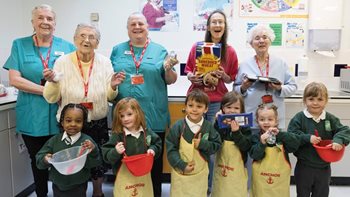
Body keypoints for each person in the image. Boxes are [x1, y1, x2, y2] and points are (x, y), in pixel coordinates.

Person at [43, 23, 125, 197]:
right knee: (70, 160)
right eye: (82, 36)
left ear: (97, 42)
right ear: (74, 39)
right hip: (70, 123)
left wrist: (112, 86)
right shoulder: (62, 62)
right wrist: (52, 82)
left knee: (97, 161)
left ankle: (97, 193)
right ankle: (73, 192)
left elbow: (110, 97)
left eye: (91, 37)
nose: (86, 40)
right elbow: (50, 97)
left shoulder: (104, 62)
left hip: (97, 120)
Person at [2, 4, 75, 197]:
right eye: (40, 18)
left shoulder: (67, 47)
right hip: (32, 114)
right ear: (33, 22)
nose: (45, 22)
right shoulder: (20, 44)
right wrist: (47, 91)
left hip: (61, 115)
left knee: (64, 159)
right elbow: (14, 79)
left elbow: (75, 76)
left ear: (55, 23)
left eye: (49, 19)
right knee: (38, 160)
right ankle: (42, 194)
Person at [110, 12, 178, 197]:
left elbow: (171, 79)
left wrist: (169, 68)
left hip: (152, 116)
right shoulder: (117, 50)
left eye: (141, 23)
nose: (137, 27)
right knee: (123, 158)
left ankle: (154, 193)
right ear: (127, 29)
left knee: (152, 161)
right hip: (124, 117)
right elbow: (110, 78)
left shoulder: (160, 50)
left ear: (148, 27)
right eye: (133, 24)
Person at [287, 82, 350, 197]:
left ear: (326, 100)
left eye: (320, 99)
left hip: (324, 168)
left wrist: (338, 140)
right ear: (304, 100)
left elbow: (345, 130)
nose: (315, 103)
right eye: (311, 99)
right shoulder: (299, 118)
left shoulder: (330, 119)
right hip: (304, 166)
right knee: (303, 193)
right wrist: (307, 138)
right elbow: (291, 136)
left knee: (321, 193)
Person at [233, 24, 297, 130]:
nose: (261, 41)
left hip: (274, 120)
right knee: (253, 145)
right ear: (251, 44)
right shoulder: (244, 65)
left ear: (270, 41)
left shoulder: (280, 63)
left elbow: (293, 87)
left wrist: (280, 88)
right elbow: (235, 90)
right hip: (252, 117)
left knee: (275, 146)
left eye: (265, 37)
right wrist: (243, 87)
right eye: (257, 38)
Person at [36, 103, 101, 197]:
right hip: (58, 183)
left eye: (78, 121)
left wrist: (93, 150)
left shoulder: (87, 142)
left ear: (83, 123)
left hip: (79, 184)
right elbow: (39, 159)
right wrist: (45, 159)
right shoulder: (54, 141)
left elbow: (95, 163)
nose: (73, 124)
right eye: (68, 120)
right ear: (62, 122)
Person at [165, 89, 221, 197]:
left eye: (199, 106)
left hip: (200, 176)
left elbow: (216, 146)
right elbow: (171, 150)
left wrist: (203, 144)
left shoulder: (208, 127)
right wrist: (181, 165)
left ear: (206, 109)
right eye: (191, 105)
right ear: (185, 107)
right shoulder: (178, 127)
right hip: (180, 174)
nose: (194, 109)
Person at [185, 10, 238, 123]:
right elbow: (188, 70)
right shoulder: (197, 47)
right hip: (196, 98)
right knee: (195, 132)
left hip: (217, 100)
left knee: (214, 133)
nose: (217, 25)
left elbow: (231, 79)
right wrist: (191, 77)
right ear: (208, 27)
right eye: (214, 22)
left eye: (220, 22)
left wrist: (223, 75)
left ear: (225, 27)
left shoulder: (230, 51)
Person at [102, 97, 162, 196]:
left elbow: (157, 144)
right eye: (122, 116)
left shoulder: (146, 132)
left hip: (144, 176)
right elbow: (106, 155)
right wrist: (115, 151)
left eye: (129, 114)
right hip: (125, 177)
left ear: (138, 113)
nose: (125, 119)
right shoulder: (118, 135)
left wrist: (153, 149)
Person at [250, 103, 299, 197]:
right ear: (257, 121)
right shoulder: (255, 137)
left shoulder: (282, 137)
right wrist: (261, 143)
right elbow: (254, 155)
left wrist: (280, 135)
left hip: (279, 182)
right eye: (262, 119)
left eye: (270, 119)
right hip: (261, 183)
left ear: (276, 121)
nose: (266, 122)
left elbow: (294, 145)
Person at [211, 91, 252, 197]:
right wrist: (217, 123)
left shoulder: (245, 127)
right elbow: (215, 142)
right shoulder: (218, 124)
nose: (232, 111)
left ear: (242, 110)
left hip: (237, 170)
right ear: (222, 109)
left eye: (236, 108)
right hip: (221, 167)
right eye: (228, 107)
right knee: (220, 190)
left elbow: (246, 146)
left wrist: (237, 132)